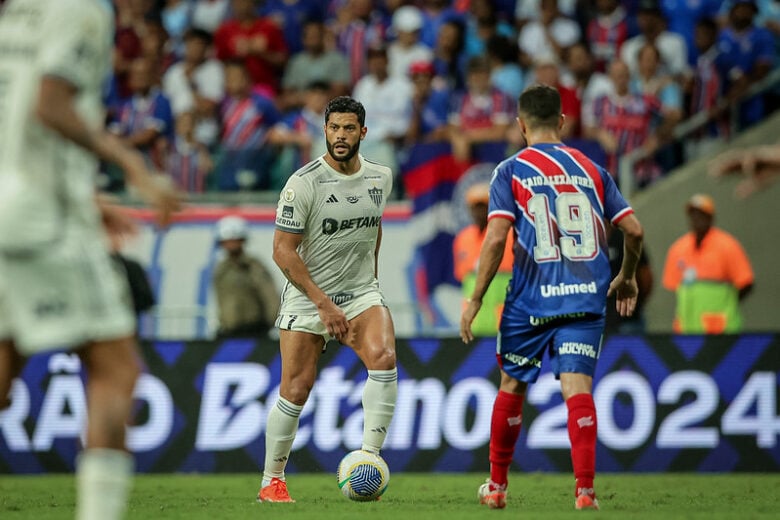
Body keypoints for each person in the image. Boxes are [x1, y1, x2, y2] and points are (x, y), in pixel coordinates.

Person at [0, 2, 180, 520]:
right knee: (115, 367)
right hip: (44, 223)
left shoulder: (19, 9)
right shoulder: (81, 9)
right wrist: (132, 164)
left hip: (12, 208)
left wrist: (91, 199)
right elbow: (50, 105)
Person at [460, 85, 644, 511]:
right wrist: (627, 276)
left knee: (512, 385)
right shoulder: (593, 169)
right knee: (576, 387)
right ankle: (585, 491)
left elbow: (496, 237)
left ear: (521, 125)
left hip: (529, 300)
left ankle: (498, 487)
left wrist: (475, 299)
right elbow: (633, 229)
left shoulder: (510, 170)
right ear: (562, 121)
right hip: (585, 297)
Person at [258, 96, 397, 503]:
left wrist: (370, 279)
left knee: (384, 358)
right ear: (325, 130)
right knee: (296, 389)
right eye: (334, 128)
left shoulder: (380, 177)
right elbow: (283, 251)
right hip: (308, 299)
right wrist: (322, 303)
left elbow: (375, 228)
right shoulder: (303, 183)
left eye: (349, 128)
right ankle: (272, 480)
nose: (340, 136)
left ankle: (368, 459)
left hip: (359, 292)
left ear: (363, 133)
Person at [662, 194, 754, 334]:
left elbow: (746, 282)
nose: (696, 219)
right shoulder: (677, 249)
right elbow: (675, 288)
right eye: (693, 214)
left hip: (721, 332)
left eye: (701, 214)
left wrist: (726, 305)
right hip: (687, 332)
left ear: (711, 218)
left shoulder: (727, 245)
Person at [453, 183, 513, 336]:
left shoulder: (508, 235)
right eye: (476, 206)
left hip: (503, 320)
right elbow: (463, 277)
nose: (479, 211)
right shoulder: (463, 238)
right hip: (475, 321)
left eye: (483, 206)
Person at [212, 216, 280, 338]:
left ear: (243, 240)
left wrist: (269, 324)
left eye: (235, 239)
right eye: (226, 241)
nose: (231, 244)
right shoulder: (221, 270)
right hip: (228, 332)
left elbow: (270, 296)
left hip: (254, 331)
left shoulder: (254, 267)